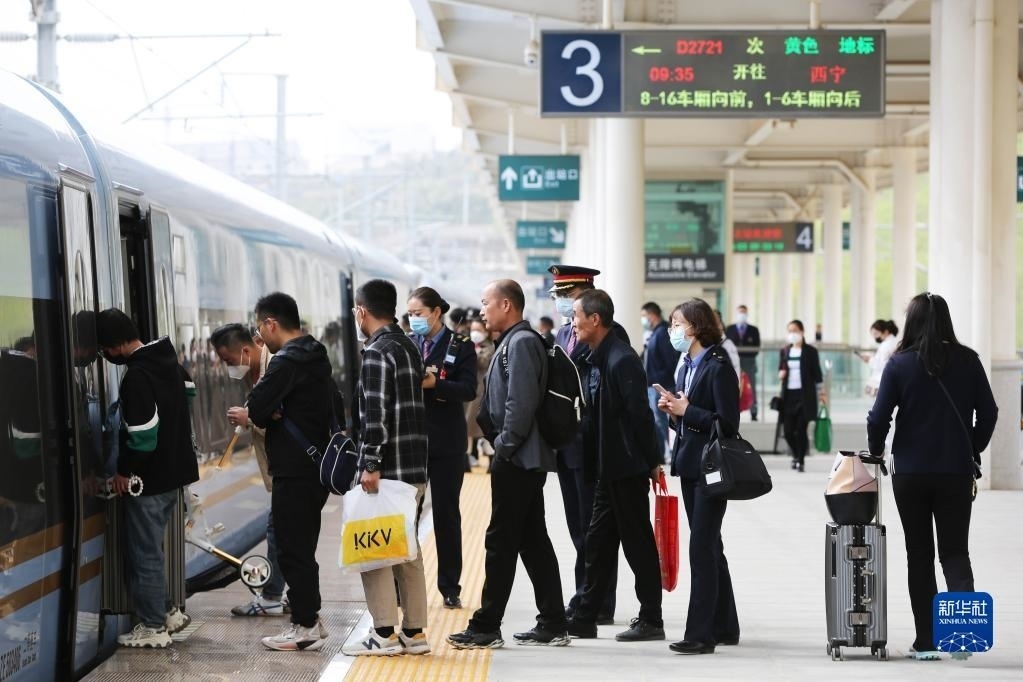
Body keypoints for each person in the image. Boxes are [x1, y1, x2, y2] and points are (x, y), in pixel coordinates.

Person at [866, 293, 997, 661]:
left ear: (911, 321)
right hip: (955, 470)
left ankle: (926, 640)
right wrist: (972, 446)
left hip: (910, 472)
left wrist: (876, 450)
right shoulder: (969, 360)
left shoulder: (899, 364)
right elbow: (989, 412)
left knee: (919, 554)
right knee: (955, 551)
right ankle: (962, 637)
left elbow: (878, 417)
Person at [447, 279, 568, 650]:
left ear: (506, 305)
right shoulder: (514, 341)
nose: (482, 310)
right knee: (532, 540)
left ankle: (486, 626)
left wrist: (504, 445)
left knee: (500, 541)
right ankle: (553, 621)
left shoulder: (522, 343)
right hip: (520, 456)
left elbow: (521, 402)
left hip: (517, 457)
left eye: (487, 302)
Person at [565, 290, 665, 643]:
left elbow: (642, 417)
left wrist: (653, 462)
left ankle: (651, 618)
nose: (572, 323)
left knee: (637, 544)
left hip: (626, 468)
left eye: (576, 316)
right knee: (598, 543)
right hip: (608, 470)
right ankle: (585, 616)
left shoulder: (622, 360)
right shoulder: (597, 358)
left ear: (595, 319)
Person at [96, 308, 199, 649]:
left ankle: (153, 626)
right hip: (175, 474)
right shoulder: (168, 362)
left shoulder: (137, 377)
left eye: (105, 349)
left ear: (116, 345)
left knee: (145, 554)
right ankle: (168, 611)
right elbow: (189, 392)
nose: (106, 355)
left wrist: (124, 471)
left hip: (150, 480)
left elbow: (142, 437)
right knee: (152, 548)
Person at [343, 279, 431, 656]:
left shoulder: (377, 351)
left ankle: (382, 634)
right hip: (413, 468)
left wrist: (370, 464)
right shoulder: (408, 345)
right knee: (408, 549)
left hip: (387, 470)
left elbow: (375, 415)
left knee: (374, 547)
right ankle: (414, 633)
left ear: (362, 311)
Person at [247, 293, 337, 651]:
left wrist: (272, 409)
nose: (260, 337)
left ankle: (305, 624)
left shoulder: (286, 361)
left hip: (294, 468)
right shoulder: (316, 353)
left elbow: (256, 408)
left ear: (271, 323)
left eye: (260, 329)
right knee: (302, 546)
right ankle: (310, 617)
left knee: (291, 548)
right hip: (314, 466)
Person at [657, 298, 740, 655]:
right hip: (690, 465)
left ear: (694, 327)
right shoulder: (687, 367)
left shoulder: (718, 367)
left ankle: (701, 634)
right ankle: (725, 625)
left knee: (701, 549)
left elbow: (728, 424)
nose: (672, 330)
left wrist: (688, 411)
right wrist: (674, 411)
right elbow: (688, 418)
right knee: (710, 545)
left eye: (677, 323)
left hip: (712, 468)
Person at [547, 264, 620, 624]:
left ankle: (599, 601)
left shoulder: (609, 335)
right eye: (559, 296)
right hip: (567, 444)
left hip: (591, 444)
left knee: (597, 528)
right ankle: (584, 595)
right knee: (578, 527)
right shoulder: (563, 333)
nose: (563, 303)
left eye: (568, 295)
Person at [210, 323, 288, 617]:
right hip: (280, 469)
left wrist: (250, 417)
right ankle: (289, 596)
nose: (228, 367)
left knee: (279, 531)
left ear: (245, 350)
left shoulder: (276, 367)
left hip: (292, 468)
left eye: (229, 360)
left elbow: (286, 419)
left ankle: (272, 598)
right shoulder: (256, 372)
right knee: (288, 534)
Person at [407, 286, 477, 610]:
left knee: (446, 516)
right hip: (412, 442)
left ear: (436, 312)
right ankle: (403, 585)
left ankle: (450, 586)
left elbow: (468, 389)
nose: (413, 319)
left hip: (447, 442)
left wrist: (438, 385)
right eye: (410, 314)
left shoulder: (460, 345)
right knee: (407, 514)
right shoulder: (407, 344)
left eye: (418, 313)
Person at [777, 320, 826, 472]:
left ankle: (801, 460)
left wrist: (822, 392)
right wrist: (781, 374)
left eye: (795, 330)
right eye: (790, 331)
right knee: (788, 431)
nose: (792, 334)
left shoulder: (811, 351)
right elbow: (780, 369)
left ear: (802, 332)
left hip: (805, 396)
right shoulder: (785, 351)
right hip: (788, 396)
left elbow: (817, 374)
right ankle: (796, 454)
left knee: (801, 429)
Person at [641, 302, 680, 455]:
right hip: (654, 383)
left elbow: (670, 360)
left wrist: (664, 381)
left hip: (662, 384)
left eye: (644, 316)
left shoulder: (662, 333)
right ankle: (664, 452)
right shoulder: (654, 333)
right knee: (658, 420)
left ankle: (670, 451)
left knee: (663, 420)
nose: (643, 320)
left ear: (652, 315)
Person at [465, 317, 495, 468]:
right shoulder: (468, 345)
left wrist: (473, 353)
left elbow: (483, 362)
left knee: (484, 429)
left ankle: (490, 459)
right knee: (468, 430)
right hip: (470, 393)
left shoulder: (490, 347)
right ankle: (468, 458)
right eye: (472, 330)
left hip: (483, 393)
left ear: (486, 332)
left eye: (478, 330)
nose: (474, 333)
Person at [724, 305, 761, 420]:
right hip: (732, 363)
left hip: (749, 363)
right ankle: (731, 410)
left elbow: (757, 348)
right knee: (731, 386)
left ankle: (753, 412)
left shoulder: (753, 330)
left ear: (747, 314)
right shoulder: (729, 329)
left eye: (744, 312)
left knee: (751, 387)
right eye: (740, 312)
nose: (742, 315)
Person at [862, 319, 899, 397]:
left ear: (885, 332)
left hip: (883, 380)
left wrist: (869, 360)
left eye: (876, 334)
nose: (875, 337)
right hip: (889, 379)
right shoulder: (893, 342)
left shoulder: (887, 345)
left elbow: (884, 364)